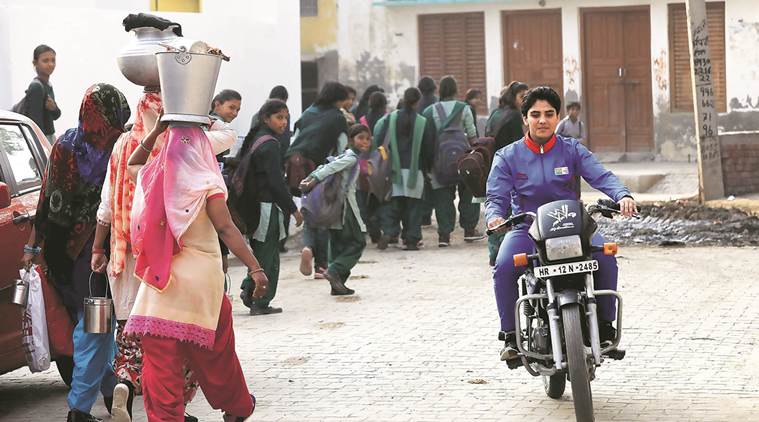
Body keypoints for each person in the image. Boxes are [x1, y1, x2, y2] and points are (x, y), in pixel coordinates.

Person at [90, 91, 236, 421]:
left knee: (128, 329)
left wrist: (99, 247)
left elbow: (106, 203)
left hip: (122, 253)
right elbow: (229, 134)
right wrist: (197, 115)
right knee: (174, 340)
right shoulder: (184, 145)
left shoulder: (122, 144)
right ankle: (176, 408)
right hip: (162, 259)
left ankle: (125, 380)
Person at [125, 111, 267, 422]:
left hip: (161, 283)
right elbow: (227, 229)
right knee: (217, 353)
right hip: (203, 284)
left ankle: (165, 418)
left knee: (159, 360)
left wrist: (156, 132)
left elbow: (132, 163)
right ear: (203, 147)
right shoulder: (207, 182)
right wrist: (256, 268)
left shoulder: (155, 175)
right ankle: (238, 408)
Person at [485, 86, 636, 363]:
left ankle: (604, 328)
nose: (542, 120)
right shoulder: (508, 156)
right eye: (535, 114)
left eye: (549, 114)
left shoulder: (572, 150)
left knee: (606, 258)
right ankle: (509, 337)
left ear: (557, 118)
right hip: (527, 228)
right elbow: (495, 196)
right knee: (504, 266)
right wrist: (495, 217)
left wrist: (622, 195)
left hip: (572, 225)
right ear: (525, 119)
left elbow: (601, 176)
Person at [21, 83, 130, 422]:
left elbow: (46, 196)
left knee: (98, 327)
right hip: (94, 264)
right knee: (96, 330)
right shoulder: (117, 148)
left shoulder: (66, 142)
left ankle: (112, 393)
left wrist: (33, 246)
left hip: (66, 258)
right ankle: (79, 409)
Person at [237, 99, 304, 315]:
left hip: (257, 207)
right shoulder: (270, 144)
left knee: (259, 253)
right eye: (279, 117)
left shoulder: (258, 139)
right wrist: (293, 209)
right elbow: (276, 183)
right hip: (267, 208)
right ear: (267, 118)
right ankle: (260, 301)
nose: (284, 122)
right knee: (268, 256)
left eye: (286, 118)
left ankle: (249, 291)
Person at [286, 81, 350, 278]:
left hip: (297, 166)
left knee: (308, 212)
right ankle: (321, 266)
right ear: (337, 99)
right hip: (321, 169)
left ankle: (307, 246)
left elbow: (294, 138)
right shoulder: (338, 117)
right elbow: (341, 147)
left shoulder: (308, 112)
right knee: (323, 216)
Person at [299, 124, 371, 295]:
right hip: (346, 208)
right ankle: (334, 271)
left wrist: (311, 177)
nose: (365, 142)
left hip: (334, 209)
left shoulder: (345, 155)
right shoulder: (351, 158)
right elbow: (331, 167)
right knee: (357, 242)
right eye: (361, 138)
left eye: (368, 139)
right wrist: (314, 179)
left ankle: (337, 285)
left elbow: (327, 165)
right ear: (351, 139)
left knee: (338, 245)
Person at [422, 75, 484, 247]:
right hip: (463, 159)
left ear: (440, 91)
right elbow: (472, 136)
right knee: (469, 192)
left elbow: (427, 139)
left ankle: (444, 235)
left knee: (443, 196)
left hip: (439, 160)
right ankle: (469, 230)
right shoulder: (464, 109)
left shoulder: (429, 111)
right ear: (456, 90)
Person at [373, 87, 434, 251]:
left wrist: (385, 161)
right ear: (417, 102)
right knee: (413, 208)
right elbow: (428, 147)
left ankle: (390, 231)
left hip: (394, 169)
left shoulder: (391, 118)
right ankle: (411, 240)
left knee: (394, 205)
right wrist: (428, 167)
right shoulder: (422, 121)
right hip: (416, 170)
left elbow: (379, 141)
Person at [484, 81, 528, 266]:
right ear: (513, 97)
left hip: (493, 167)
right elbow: (518, 149)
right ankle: (504, 255)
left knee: (496, 209)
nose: (524, 100)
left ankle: (494, 254)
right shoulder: (514, 117)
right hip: (508, 169)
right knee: (509, 212)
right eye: (521, 97)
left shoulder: (495, 113)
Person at [357, 91, 388, 244]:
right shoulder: (386, 120)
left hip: (363, 166)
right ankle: (380, 227)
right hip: (381, 165)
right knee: (380, 199)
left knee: (362, 200)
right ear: (384, 105)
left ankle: (369, 229)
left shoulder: (362, 120)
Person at [22, 44, 61, 144]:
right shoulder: (36, 87)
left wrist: (53, 108)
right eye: (45, 60)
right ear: (35, 63)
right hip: (42, 140)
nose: (50, 64)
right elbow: (35, 123)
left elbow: (56, 115)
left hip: (49, 137)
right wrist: (44, 145)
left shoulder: (48, 85)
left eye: (53, 60)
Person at [417, 76, 438, 227]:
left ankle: (424, 215)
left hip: (419, 147)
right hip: (437, 147)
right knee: (435, 182)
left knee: (424, 182)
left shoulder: (417, 104)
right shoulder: (437, 103)